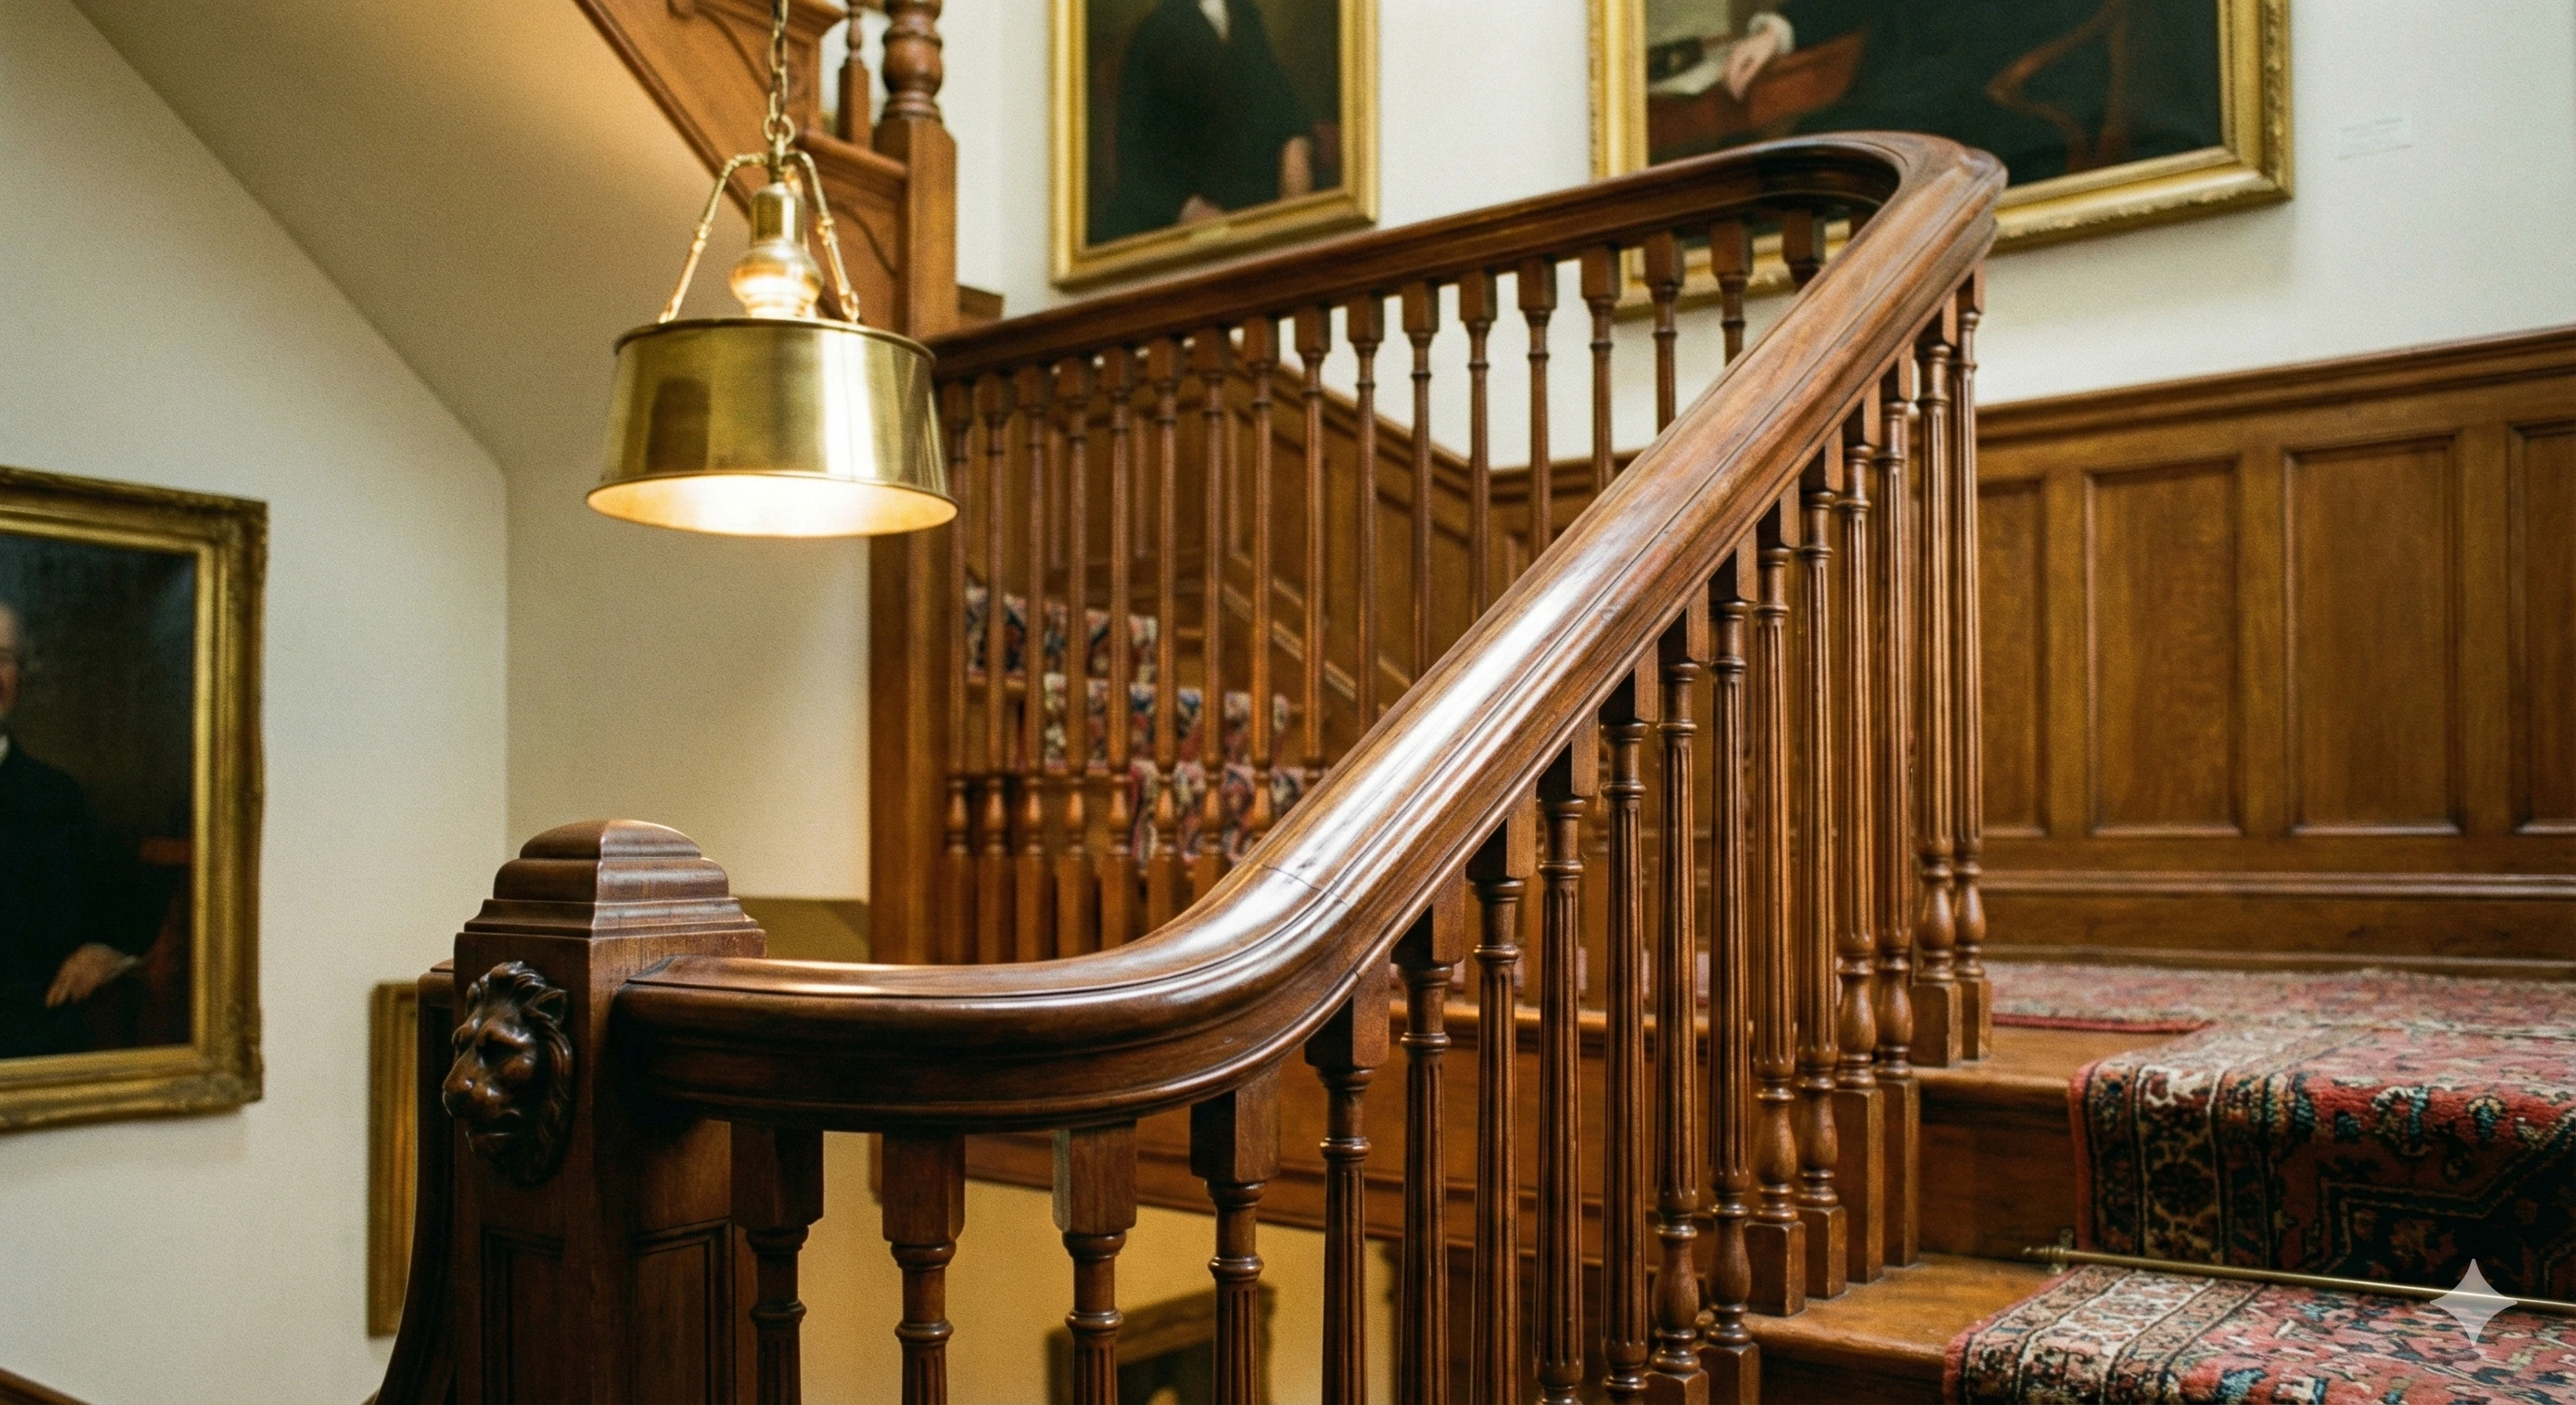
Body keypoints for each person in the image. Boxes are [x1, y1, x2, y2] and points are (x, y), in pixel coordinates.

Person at [0, 601, 140, 1058]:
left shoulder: (57, 796)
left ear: (21, 677)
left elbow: (121, 901)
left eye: (3, 658)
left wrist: (105, 948)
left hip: (33, 1043)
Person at [1097, 0, 1315, 243]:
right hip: (1187, 214)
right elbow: (1136, 154)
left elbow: (1279, 102)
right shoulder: (1155, 32)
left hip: (1257, 203)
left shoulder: (1245, 17)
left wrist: (1295, 145)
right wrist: (1188, 208)